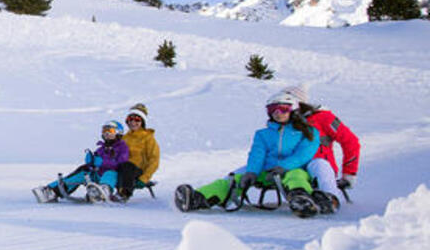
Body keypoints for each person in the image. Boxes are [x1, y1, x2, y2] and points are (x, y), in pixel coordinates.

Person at [174, 90, 321, 216]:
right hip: (267, 172)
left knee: (296, 177)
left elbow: (304, 154)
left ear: (293, 110)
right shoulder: (263, 134)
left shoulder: (308, 132)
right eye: (272, 109)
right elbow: (257, 154)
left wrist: (284, 167)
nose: (277, 113)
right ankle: (197, 198)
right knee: (235, 179)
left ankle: (301, 199)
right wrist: (251, 172)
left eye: (283, 109)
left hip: (293, 170)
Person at [283, 84, 360, 215]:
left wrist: (349, 174)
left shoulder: (324, 118)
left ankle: (330, 198)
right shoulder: (283, 121)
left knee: (319, 164)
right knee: (293, 172)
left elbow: (350, 142)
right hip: (294, 167)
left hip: (320, 166)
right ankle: (301, 200)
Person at [32, 120, 130, 203]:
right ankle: (53, 191)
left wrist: (102, 162)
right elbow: (94, 163)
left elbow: (121, 163)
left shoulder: (123, 147)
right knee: (82, 171)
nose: (107, 133)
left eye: (110, 131)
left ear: (118, 133)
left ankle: (103, 191)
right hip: (97, 174)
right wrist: (91, 162)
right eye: (104, 130)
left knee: (110, 173)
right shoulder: (101, 149)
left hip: (114, 177)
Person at [116, 103, 160, 200]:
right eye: (130, 120)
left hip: (138, 170)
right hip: (123, 168)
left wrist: (144, 178)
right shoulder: (124, 138)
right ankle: (99, 190)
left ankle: (124, 194)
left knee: (128, 166)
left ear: (142, 122)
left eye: (137, 120)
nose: (133, 122)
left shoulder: (148, 138)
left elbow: (154, 160)